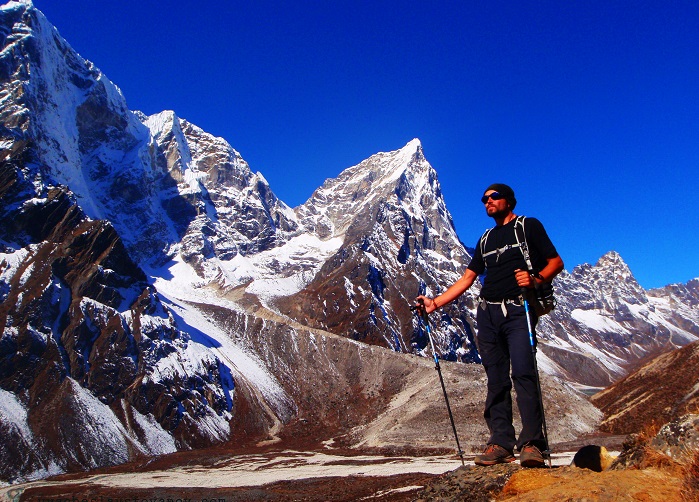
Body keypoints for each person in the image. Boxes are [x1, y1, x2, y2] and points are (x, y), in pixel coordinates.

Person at [416, 183, 564, 468]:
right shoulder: (485, 239)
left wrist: (536, 281)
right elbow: (467, 279)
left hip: (519, 310)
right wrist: (435, 303)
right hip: (488, 314)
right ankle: (501, 442)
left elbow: (555, 262)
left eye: (494, 197)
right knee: (496, 380)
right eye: (484, 199)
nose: (488, 202)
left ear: (509, 201)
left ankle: (532, 443)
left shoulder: (527, 227)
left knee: (523, 373)